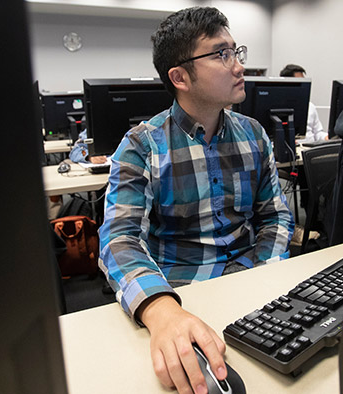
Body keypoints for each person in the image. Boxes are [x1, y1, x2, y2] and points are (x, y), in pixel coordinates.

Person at [98, 7, 294, 394]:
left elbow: (275, 218)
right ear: (180, 77)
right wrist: (161, 310)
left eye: (237, 52)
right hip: (181, 297)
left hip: (252, 288)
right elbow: (119, 240)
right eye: (221, 54)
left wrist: (260, 272)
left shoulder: (254, 134)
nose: (238, 66)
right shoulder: (142, 145)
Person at [279, 64, 327, 142]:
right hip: (292, 149)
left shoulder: (310, 106)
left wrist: (327, 137)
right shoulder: (277, 108)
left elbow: (318, 132)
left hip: (310, 149)